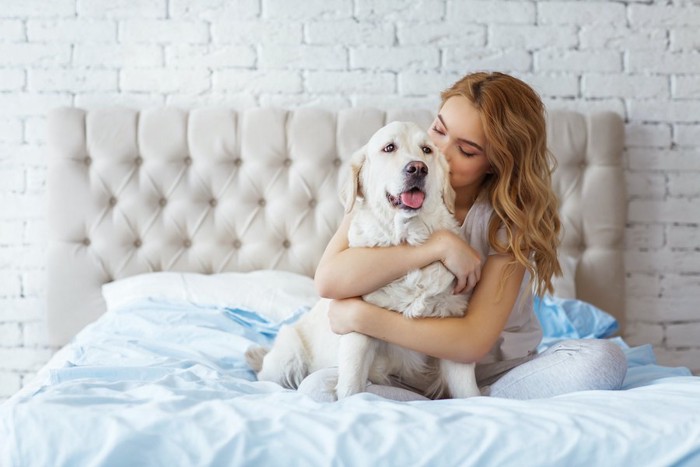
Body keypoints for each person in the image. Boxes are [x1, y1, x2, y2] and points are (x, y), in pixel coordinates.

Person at [299, 71, 627, 402]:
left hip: (492, 373)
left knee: (603, 361)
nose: (435, 153)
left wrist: (363, 317)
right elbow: (329, 281)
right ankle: (441, 412)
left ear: (496, 164)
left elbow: (471, 342)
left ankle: (468, 406)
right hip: (403, 373)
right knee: (317, 391)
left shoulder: (507, 223)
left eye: (466, 150)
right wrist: (438, 247)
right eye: (438, 130)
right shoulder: (388, 192)